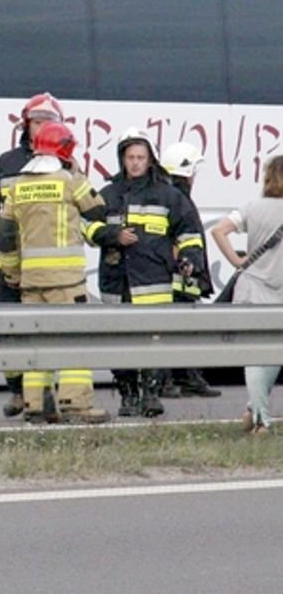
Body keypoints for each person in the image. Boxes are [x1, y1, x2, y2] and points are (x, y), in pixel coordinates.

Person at [0, 122, 109, 424]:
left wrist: (11, 271)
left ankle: (35, 403)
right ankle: (74, 402)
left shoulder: (18, 185)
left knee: (36, 340)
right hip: (66, 280)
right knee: (73, 338)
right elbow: (98, 209)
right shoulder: (70, 180)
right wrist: (78, 171)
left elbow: (5, 233)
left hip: (30, 280)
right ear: (66, 150)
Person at [87, 128, 205, 419]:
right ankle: (128, 395)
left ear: (150, 159)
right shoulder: (107, 194)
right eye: (130, 157)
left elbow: (189, 232)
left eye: (141, 157)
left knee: (154, 340)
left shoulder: (168, 195)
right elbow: (83, 227)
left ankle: (151, 395)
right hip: (116, 280)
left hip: (153, 280)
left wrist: (190, 259)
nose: (136, 163)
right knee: (119, 343)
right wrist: (112, 234)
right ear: (122, 159)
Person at [0, 93, 64, 418]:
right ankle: (17, 391)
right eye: (36, 122)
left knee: (43, 332)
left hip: (44, 268)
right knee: (1, 329)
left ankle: (42, 396)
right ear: (26, 125)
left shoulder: (65, 163)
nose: (41, 128)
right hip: (5, 264)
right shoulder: (7, 163)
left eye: (47, 122)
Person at [210, 155, 283, 434]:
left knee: (254, 354)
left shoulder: (253, 208)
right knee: (274, 353)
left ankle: (255, 411)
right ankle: (260, 418)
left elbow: (219, 230)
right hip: (280, 291)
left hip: (252, 288)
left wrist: (237, 262)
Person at [159, 142, 221, 399]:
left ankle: (187, 377)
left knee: (184, 328)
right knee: (178, 328)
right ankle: (175, 379)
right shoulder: (178, 199)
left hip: (181, 276)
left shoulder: (172, 195)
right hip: (179, 276)